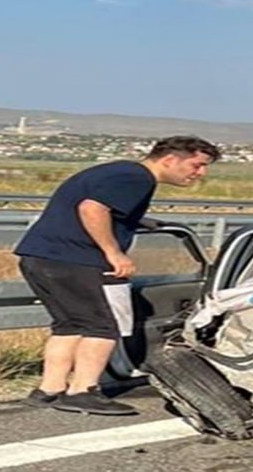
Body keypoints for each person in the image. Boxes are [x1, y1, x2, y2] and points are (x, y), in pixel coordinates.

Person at [13, 136, 220, 415]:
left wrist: (134, 220)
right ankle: (83, 391)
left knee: (69, 325)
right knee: (102, 327)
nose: (200, 174)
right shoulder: (137, 178)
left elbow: (97, 206)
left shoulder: (119, 171)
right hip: (79, 261)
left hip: (41, 257)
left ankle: (49, 390)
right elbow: (92, 208)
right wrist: (114, 253)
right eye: (197, 165)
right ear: (170, 160)